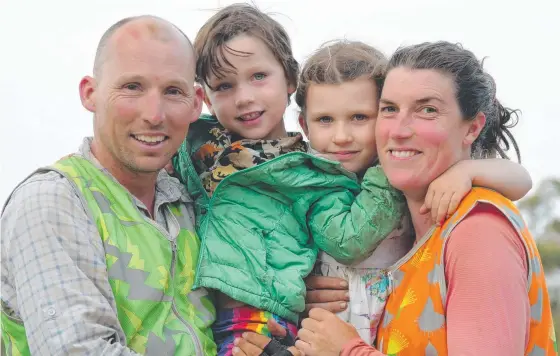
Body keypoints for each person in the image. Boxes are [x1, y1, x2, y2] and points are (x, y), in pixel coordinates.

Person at [232, 40, 536, 356]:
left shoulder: (477, 229)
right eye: (390, 109)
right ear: (305, 125)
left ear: (472, 128)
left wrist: (345, 349)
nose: (341, 135)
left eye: (427, 110)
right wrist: (297, 296)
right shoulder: (421, 227)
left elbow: (520, 180)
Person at [1, 16, 217, 355]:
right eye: (132, 86)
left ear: (196, 103)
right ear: (90, 93)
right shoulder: (54, 201)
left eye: (173, 91)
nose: (154, 114)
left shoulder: (192, 201)